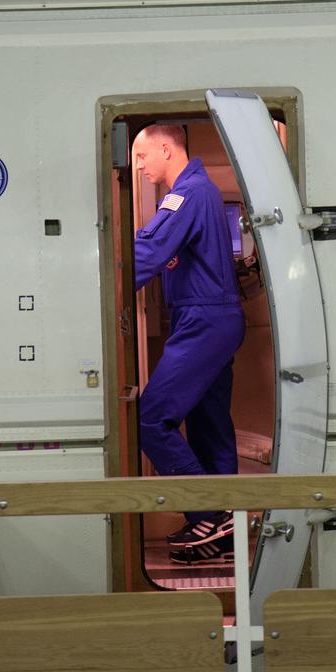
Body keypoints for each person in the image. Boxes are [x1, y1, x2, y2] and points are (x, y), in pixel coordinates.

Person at [133, 123, 246, 565]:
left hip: (204, 319)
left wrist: (101, 287)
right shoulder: (193, 192)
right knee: (208, 424)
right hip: (207, 319)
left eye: (143, 156)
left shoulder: (189, 193)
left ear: (166, 148)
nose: (139, 165)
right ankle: (223, 525)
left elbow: (151, 249)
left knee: (150, 418)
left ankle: (208, 510)